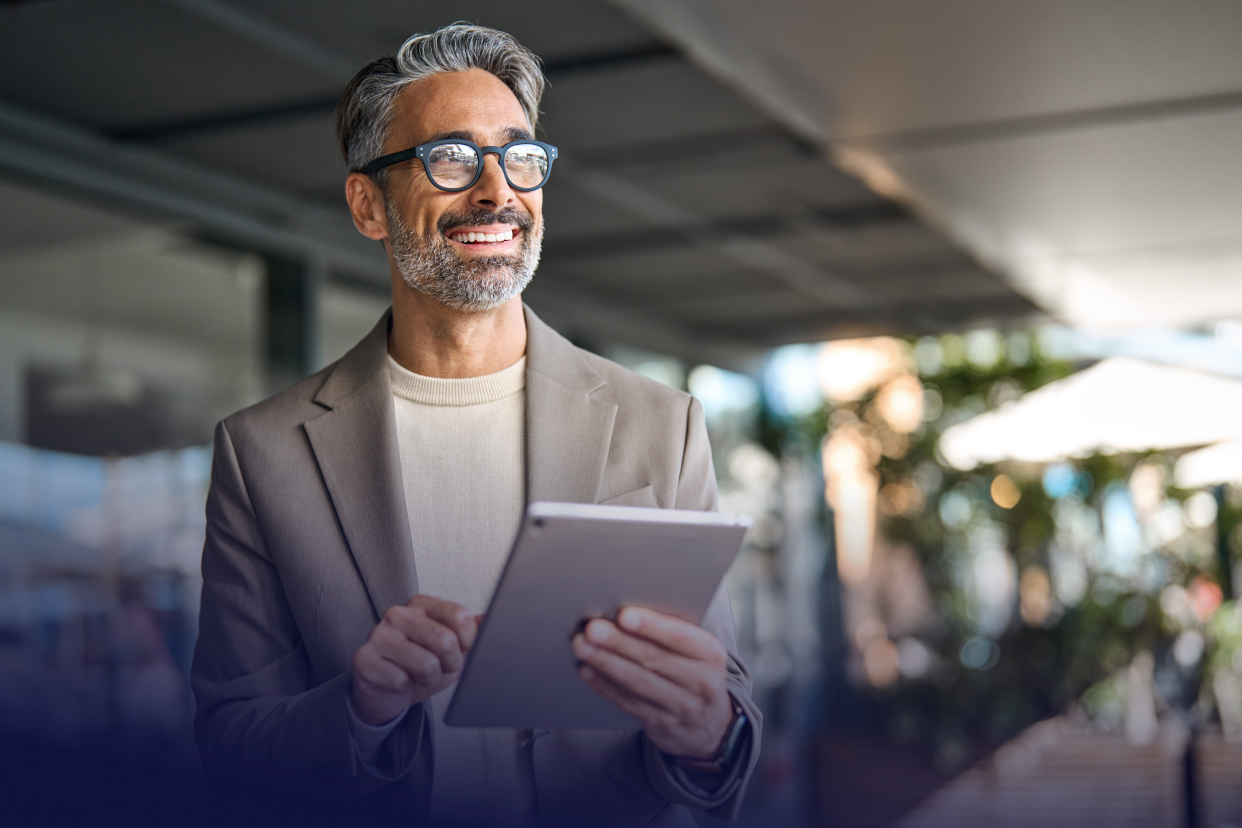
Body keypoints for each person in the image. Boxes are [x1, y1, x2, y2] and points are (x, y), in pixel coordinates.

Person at [191, 23, 760, 828]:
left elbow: (722, 705)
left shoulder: (661, 425)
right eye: (452, 158)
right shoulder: (261, 455)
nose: (498, 192)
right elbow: (230, 741)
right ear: (369, 205)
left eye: (519, 157)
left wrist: (710, 735)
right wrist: (362, 706)